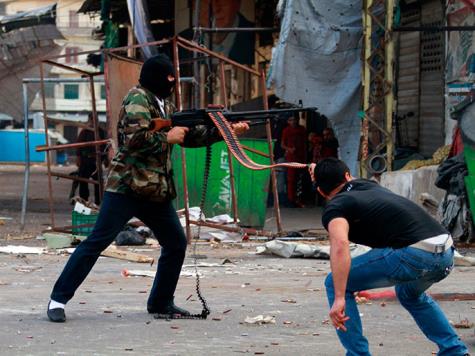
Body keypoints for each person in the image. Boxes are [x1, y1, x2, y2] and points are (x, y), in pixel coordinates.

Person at [46, 54, 249, 322]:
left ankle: (161, 302)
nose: (172, 83)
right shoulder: (137, 99)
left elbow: (189, 136)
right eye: (168, 78)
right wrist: (167, 138)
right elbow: (133, 139)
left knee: (175, 243)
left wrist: (224, 132)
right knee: (97, 241)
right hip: (127, 187)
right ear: (155, 78)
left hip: (155, 190)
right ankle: (57, 300)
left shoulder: (164, 103)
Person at [310, 158, 469, 356]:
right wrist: (321, 169)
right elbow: (342, 177)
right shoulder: (367, 185)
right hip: (445, 253)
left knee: (334, 282)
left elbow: (341, 246)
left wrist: (340, 297)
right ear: (347, 176)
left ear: (320, 191)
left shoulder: (336, 208)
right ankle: (454, 351)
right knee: (409, 294)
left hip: (413, 255)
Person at [74, 113, 107, 205]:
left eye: (96, 119)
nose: (94, 121)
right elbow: (78, 146)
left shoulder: (101, 131)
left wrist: (104, 159)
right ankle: (84, 202)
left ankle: (98, 203)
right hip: (85, 160)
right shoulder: (84, 131)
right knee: (83, 182)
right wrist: (78, 158)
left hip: (96, 161)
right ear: (89, 120)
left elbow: (105, 146)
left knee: (98, 183)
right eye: (92, 119)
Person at [281, 115, 307, 207]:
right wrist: (289, 149)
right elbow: (282, 144)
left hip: (301, 157)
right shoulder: (286, 131)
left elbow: (305, 143)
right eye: (291, 120)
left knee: (300, 178)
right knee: (291, 179)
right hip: (291, 157)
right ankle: (291, 200)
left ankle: (299, 200)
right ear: (288, 121)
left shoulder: (302, 129)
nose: (294, 121)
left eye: (295, 119)